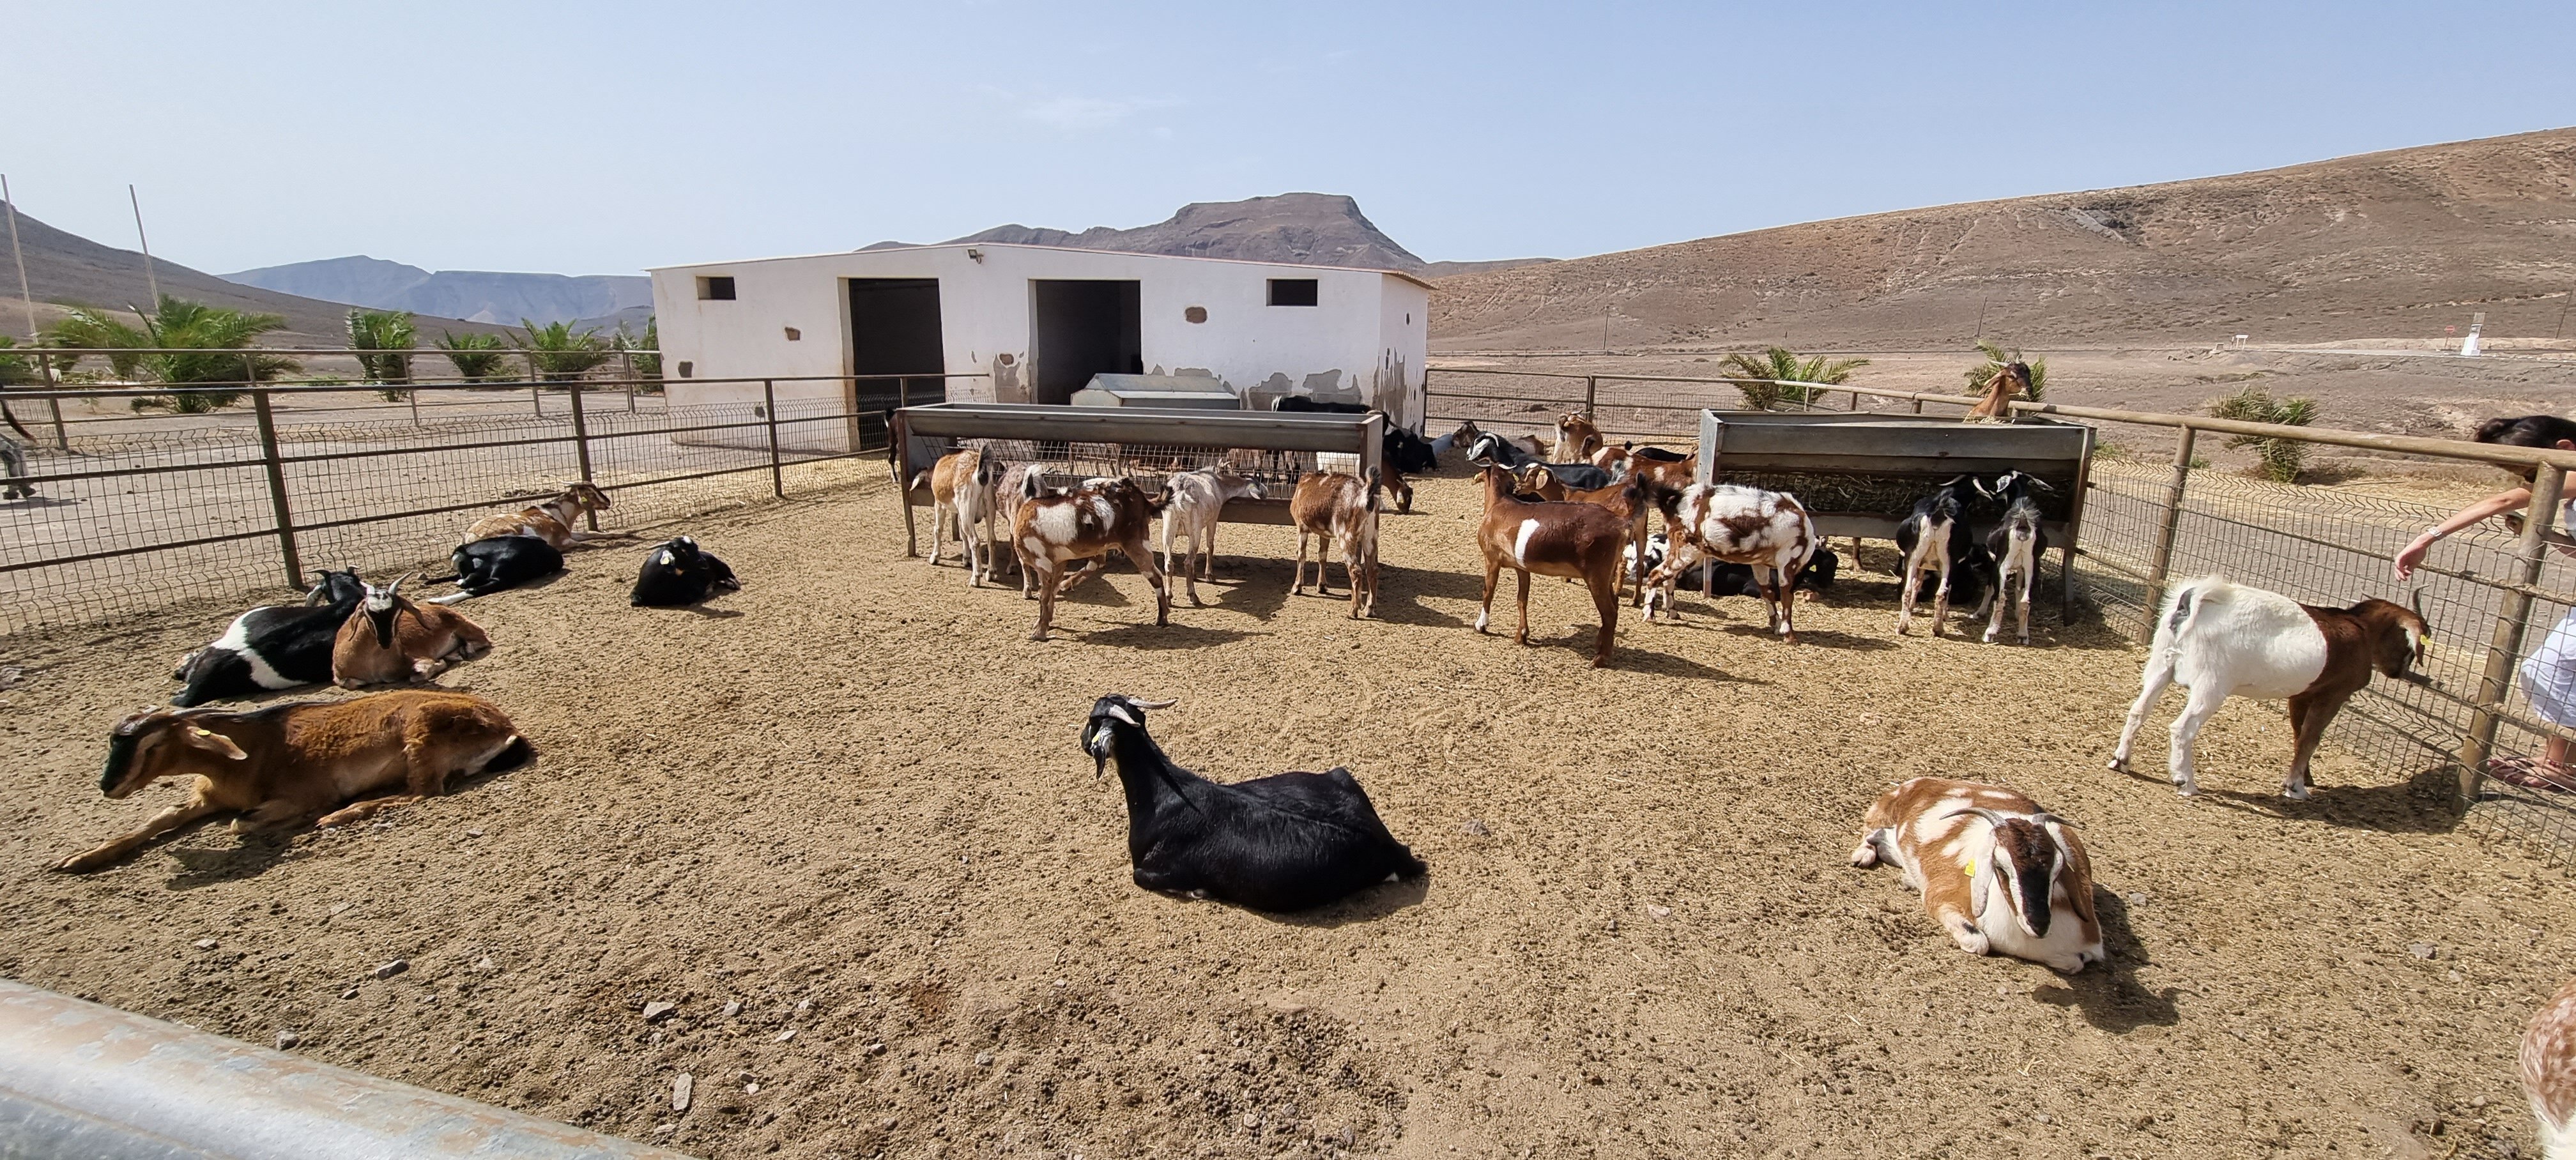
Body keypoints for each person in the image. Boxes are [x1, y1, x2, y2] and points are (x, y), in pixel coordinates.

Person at [2393, 415, 2576, 788]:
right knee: (2559, 669)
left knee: (2551, 669)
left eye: (2529, 470)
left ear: (2564, 451)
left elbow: (2506, 499)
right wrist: (2542, 531)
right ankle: (2559, 761)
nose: (2531, 481)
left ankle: (2559, 767)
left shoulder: (2568, 473)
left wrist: (2426, 539)